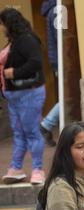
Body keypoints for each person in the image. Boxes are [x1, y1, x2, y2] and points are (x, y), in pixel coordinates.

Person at [0, 8, 46, 185]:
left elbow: (35, 62)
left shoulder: (27, 40)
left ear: (10, 24)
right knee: (19, 133)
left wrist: (14, 73)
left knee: (32, 131)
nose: (2, 28)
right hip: (14, 94)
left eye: (3, 24)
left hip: (29, 92)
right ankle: (16, 168)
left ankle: (37, 169)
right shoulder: (14, 41)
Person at [40, 0, 59, 147]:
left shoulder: (52, 9)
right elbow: (62, 38)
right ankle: (47, 124)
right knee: (67, 97)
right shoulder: (58, 10)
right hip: (62, 60)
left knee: (65, 97)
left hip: (57, 59)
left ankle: (47, 124)